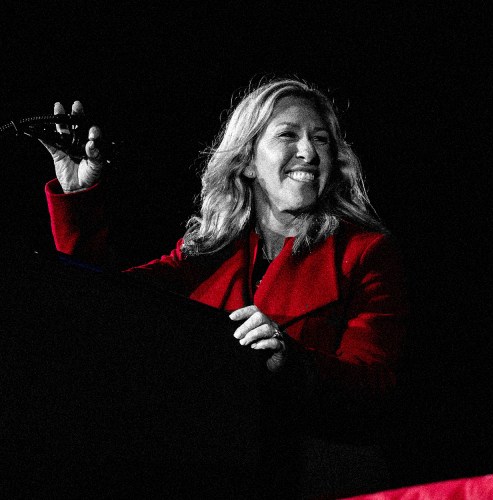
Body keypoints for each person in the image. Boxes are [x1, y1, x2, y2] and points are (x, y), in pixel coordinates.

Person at [39, 78, 407, 496]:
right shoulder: (204, 252)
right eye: (288, 135)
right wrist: (78, 194)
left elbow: (374, 387)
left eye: (321, 139)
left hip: (315, 480)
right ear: (248, 161)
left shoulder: (365, 253)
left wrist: (290, 362)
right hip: (208, 474)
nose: (309, 151)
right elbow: (108, 304)